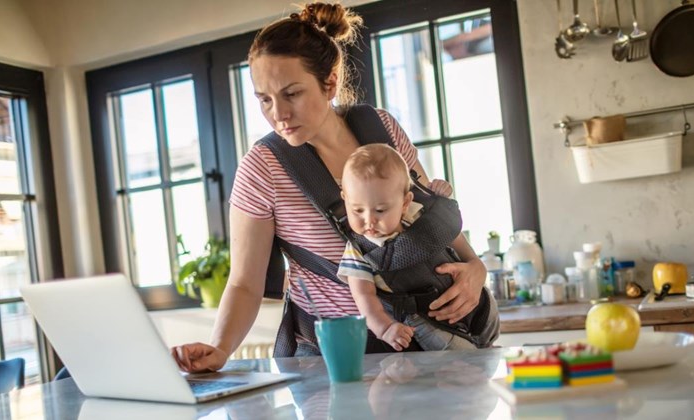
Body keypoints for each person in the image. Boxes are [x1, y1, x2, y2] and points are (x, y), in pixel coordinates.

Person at [171, 2, 488, 373]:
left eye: (292, 93)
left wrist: (476, 267)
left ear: (330, 83)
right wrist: (220, 347)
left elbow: (426, 214)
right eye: (265, 99)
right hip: (342, 360)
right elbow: (244, 283)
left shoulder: (381, 128)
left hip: (433, 342)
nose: (279, 114)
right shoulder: (262, 168)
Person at [338, 144, 499, 351]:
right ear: (345, 201)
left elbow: (451, 232)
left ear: (405, 202)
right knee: (462, 363)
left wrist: (441, 195)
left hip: (476, 302)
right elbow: (364, 297)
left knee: (490, 343)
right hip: (428, 320)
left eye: (380, 210)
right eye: (357, 210)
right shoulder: (359, 250)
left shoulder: (418, 215)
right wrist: (385, 329)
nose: (369, 221)